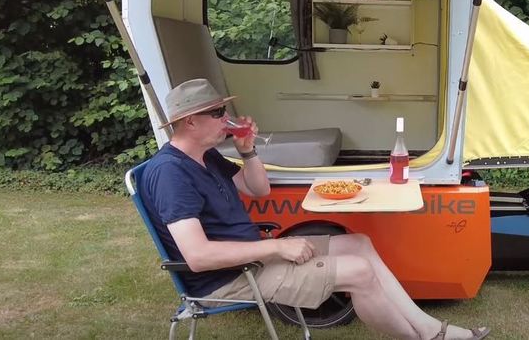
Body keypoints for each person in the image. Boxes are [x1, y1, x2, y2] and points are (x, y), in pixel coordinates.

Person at [140, 78, 490, 340]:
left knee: (359, 243)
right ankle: (424, 338)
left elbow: (257, 189)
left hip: (253, 260)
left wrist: (247, 150)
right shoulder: (170, 173)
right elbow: (198, 256)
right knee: (359, 272)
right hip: (230, 278)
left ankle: (431, 331)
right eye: (217, 113)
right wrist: (277, 245)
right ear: (190, 122)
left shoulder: (207, 156)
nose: (227, 118)